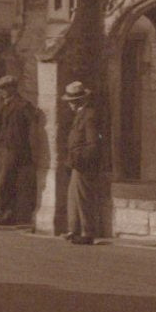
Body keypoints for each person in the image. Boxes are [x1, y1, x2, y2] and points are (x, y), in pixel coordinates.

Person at [0, 75, 36, 226]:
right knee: (3, 180)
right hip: (1, 146)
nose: (1, 92)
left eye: (4, 89)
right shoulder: (1, 104)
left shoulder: (22, 104)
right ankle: (6, 212)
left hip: (14, 147)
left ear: (12, 88)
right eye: (0, 89)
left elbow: (33, 122)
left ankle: (5, 212)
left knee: (5, 181)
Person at [63, 81, 102, 245]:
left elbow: (93, 145)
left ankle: (88, 232)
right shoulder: (81, 114)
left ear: (79, 101)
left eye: (72, 101)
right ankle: (75, 229)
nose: (70, 104)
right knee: (73, 197)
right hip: (76, 162)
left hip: (83, 164)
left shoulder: (89, 115)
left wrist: (78, 159)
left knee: (83, 197)